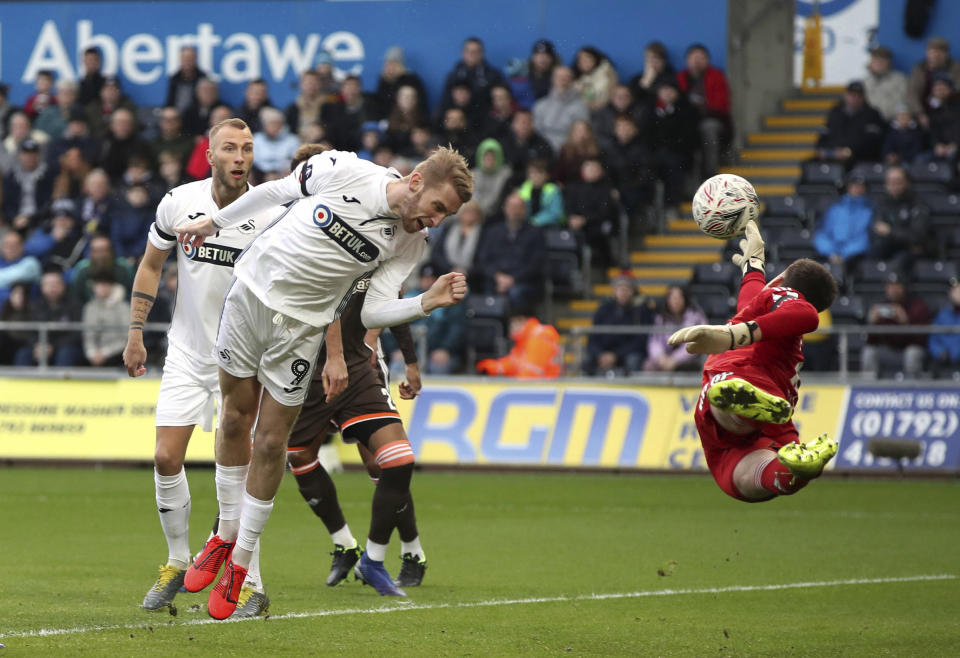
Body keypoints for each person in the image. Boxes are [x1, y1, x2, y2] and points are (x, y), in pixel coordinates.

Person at [172, 146, 472, 616]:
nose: (437, 220)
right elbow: (277, 190)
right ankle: (222, 537)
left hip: (304, 329)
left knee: (273, 443)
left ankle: (240, 563)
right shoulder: (344, 168)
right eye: (438, 207)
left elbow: (372, 310)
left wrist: (425, 302)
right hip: (250, 295)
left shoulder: (409, 242)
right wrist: (214, 223)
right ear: (417, 181)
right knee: (232, 418)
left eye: (447, 215)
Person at [121, 118, 276, 617]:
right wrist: (135, 333)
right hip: (187, 353)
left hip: (245, 358)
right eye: (229, 148)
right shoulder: (178, 202)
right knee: (167, 458)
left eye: (247, 149)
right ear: (209, 156)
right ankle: (175, 563)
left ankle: (249, 581)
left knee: (237, 471)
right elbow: (151, 263)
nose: (239, 156)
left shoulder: (272, 210)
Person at [668, 222, 840, 502]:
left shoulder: (786, 297)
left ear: (784, 278)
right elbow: (751, 296)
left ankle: (741, 409)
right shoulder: (770, 306)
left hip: (741, 374)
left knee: (722, 396)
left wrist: (731, 336)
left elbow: (806, 314)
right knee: (752, 476)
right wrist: (754, 264)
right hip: (773, 409)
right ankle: (789, 473)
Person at [286, 270, 429, 589]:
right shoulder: (314, 246)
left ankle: (411, 552)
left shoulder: (377, 247)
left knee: (384, 463)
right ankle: (345, 545)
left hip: (360, 366)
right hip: (308, 369)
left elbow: (393, 302)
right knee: (299, 457)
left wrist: (410, 361)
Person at [475, 192, 545, 312]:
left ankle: (513, 329)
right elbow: (483, 260)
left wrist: (512, 279)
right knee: (480, 296)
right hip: (494, 281)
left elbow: (535, 264)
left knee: (515, 294)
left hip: (524, 282)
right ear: (505, 209)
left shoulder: (535, 233)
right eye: (512, 207)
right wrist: (497, 276)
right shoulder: (493, 232)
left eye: (518, 207)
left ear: (524, 210)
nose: (515, 211)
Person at [861, 273, 930, 378]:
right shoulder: (881, 306)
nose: (893, 289)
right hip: (888, 350)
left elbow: (922, 339)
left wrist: (906, 321)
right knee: (869, 352)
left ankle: (911, 389)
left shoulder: (917, 305)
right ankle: (868, 391)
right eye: (890, 286)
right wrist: (872, 322)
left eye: (897, 286)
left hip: (908, 349)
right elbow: (871, 341)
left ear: (904, 287)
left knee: (912, 354)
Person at [676, 44, 731, 177]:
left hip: (710, 119)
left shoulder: (716, 76)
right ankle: (685, 182)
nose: (697, 61)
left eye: (701, 58)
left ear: (707, 60)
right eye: (693, 58)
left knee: (709, 128)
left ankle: (710, 176)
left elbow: (721, 105)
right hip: (685, 121)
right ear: (687, 60)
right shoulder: (680, 78)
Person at [869, 165, 931, 272]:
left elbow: (917, 236)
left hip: (909, 252)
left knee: (901, 261)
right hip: (887, 247)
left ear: (907, 182)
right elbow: (876, 230)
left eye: (897, 181)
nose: (894, 185)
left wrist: (890, 231)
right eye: (890, 182)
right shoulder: (882, 204)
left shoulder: (917, 203)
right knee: (869, 259)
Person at [586, 275, 651, 376]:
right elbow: (593, 337)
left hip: (626, 353)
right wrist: (600, 354)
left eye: (626, 289)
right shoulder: (603, 309)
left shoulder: (640, 311)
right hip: (604, 352)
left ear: (632, 292)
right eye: (620, 289)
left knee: (633, 360)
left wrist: (616, 356)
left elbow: (640, 341)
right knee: (587, 362)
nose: (623, 292)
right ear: (614, 291)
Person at [19, 266, 82, 366]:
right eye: (48, 285)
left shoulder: (74, 304)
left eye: (55, 284)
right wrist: (37, 345)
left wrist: (53, 346)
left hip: (65, 346)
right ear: (42, 287)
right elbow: (30, 332)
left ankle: (62, 382)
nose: (52, 288)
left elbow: (77, 334)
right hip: (42, 346)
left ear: (63, 285)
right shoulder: (36, 305)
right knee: (23, 354)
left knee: (65, 354)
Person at [563, 157, 618, 269]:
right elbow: (568, 206)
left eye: (595, 168)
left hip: (595, 225)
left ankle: (600, 266)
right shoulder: (574, 187)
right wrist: (571, 218)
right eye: (588, 168)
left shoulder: (606, 189)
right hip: (575, 224)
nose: (591, 171)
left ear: (601, 171)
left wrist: (585, 219)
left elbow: (605, 211)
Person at [813, 174, 872, 274]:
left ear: (865, 189)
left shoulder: (870, 211)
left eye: (861, 186)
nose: (857, 189)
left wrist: (844, 255)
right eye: (854, 185)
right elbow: (822, 234)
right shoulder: (834, 209)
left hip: (854, 258)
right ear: (848, 187)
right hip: (830, 255)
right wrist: (831, 253)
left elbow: (864, 238)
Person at [815, 81, 886, 164]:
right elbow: (824, 134)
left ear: (863, 97)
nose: (854, 98)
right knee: (809, 164)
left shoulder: (872, 114)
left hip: (860, 158)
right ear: (845, 95)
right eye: (852, 95)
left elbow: (872, 141)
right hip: (834, 155)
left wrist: (850, 151)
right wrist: (833, 151)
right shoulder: (835, 112)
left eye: (858, 95)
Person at [644, 285, 708, 372]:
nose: (676, 301)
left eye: (679, 298)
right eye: (673, 298)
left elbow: (694, 344)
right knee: (648, 365)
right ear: (668, 300)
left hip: (690, 358)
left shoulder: (696, 315)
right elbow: (654, 341)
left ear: (685, 299)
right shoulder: (661, 317)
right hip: (664, 358)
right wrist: (660, 357)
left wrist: (675, 360)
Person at [476, 313, 560, 377]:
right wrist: (493, 367)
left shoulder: (539, 337)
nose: (511, 328)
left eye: (513, 323)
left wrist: (513, 386)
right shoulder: (524, 339)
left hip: (544, 389)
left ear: (522, 320)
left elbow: (532, 372)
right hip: (536, 386)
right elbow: (514, 362)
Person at [533, 66, 590, 153]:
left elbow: (580, 135)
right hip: (542, 150)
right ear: (552, 79)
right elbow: (536, 131)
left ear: (572, 81)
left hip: (567, 151)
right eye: (559, 77)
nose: (563, 80)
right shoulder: (541, 105)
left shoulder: (580, 107)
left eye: (566, 77)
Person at [430, 199, 485, 288]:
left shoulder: (484, 234)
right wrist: (450, 269)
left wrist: (466, 272)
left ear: (478, 215)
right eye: (466, 211)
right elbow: (436, 253)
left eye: (473, 212)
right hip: (446, 273)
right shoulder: (449, 229)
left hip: (473, 280)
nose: (469, 215)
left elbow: (484, 259)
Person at [2, 139, 55, 232]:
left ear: (38, 156)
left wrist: (30, 218)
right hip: (15, 220)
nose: (30, 157)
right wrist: (14, 217)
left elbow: (49, 201)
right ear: (20, 156)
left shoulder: (47, 175)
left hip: (40, 220)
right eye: (26, 154)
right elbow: (7, 202)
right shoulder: (11, 176)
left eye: (33, 154)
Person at [441, 37, 505, 114]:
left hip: (484, 116)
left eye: (475, 52)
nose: (471, 55)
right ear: (463, 53)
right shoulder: (453, 76)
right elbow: (446, 101)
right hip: (459, 117)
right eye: (468, 51)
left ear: (482, 54)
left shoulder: (493, 75)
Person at [907, 37, 960, 128]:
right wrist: (920, 114)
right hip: (925, 112)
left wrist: (950, 92)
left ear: (946, 54)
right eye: (933, 51)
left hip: (951, 112)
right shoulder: (919, 69)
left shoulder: (954, 68)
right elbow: (912, 94)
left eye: (940, 52)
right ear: (927, 52)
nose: (936, 55)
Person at [82, 269, 130, 367]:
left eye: (104, 284)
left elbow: (127, 338)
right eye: (98, 284)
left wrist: (105, 353)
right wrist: (91, 353)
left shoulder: (123, 307)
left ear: (112, 286)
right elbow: (88, 336)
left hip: (117, 354)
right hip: (94, 355)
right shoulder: (90, 307)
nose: (101, 288)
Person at [71, 234, 133, 303]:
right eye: (96, 251)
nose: (100, 255)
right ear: (90, 253)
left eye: (104, 250)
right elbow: (77, 298)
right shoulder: (82, 270)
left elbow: (131, 295)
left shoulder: (122, 269)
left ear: (111, 252)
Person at [502, 108, 554, 189]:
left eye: (527, 122)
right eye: (520, 122)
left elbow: (544, 172)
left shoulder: (542, 145)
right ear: (513, 124)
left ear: (533, 125)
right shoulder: (504, 143)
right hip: (507, 185)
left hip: (533, 187)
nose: (523, 126)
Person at [375, 47, 428, 121]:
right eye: (388, 64)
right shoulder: (383, 81)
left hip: (411, 120)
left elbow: (421, 104)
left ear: (401, 65)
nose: (390, 67)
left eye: (394, 64)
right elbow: (380, 104)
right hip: (388, 121)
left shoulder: (411, 80)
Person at [252, 107, 300, 179]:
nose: (274, 127)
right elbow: (254, 161)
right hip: (260, 173)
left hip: (284, 173)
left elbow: (295, 160)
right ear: (264, 126)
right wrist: (268, 172)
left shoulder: (293, 140)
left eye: (277, 124)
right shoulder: (256, 139)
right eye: (271, 124)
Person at [924, 73, 960, 166]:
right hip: (942, 149)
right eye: (937, 89)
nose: (940, 92)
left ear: (950, 89)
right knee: (921, 160)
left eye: (943, 88)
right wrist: (937, 145)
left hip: (956, 148)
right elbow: (933, 131)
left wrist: (956, 145)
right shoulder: (934, 109)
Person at [864, 46, 908, 122]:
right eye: (876, 59)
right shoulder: (865, 81)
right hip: (870, 122)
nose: (879, 62)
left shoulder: (899, 79)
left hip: (893, 122)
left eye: (883, 59)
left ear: (889, 62)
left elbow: (904, 102)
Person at [470, 138, 512, 218]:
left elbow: (496, 200)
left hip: (493, 216)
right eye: (486, 155)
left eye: (492, 155)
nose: (489, 158)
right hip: (471, 213)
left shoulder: (505, 175)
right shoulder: (472, 174)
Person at [928, 279, 960, 378]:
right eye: (956, 290)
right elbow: (933, 340)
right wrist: (940, 352)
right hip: (943, 358)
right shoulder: (942, 315)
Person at [518, 159, 564, 227]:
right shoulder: (522, 189)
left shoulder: (553, 190)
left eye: (539, 172)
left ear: (546, 175)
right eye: (532, 172)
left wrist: (535, 221)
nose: (535, 175)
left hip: (548, 228)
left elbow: (556, 213)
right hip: (525, 228)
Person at [0, 231, 41, 306]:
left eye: (14, 245)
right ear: (1, 247)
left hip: (23, 312)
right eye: (7, 245)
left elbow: (13, 276)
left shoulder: (31, 263)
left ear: (22, 247)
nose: (10, 248)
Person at [571, 46, 618, 112]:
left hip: (604, 110)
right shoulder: (575, 79)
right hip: (580, 112)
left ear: (595, 59)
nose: (583, 62)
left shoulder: (607, 72)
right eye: (580, 59)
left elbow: (611, 94)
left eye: (587, 58)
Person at [165, 47, 208, 115]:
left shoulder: (203, 78)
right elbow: (170, 101)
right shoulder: (174, 78)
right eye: (185, 58)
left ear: (195, 59)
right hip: (177, 117)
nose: (187, 61)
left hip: (196, 116)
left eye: (190, 58)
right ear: (181, 59)